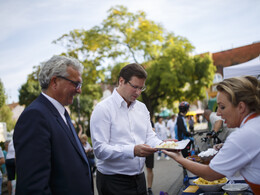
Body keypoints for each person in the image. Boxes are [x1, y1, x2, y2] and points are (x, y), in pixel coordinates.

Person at [163, 76, 260, 194]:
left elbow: (210, 174)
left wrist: (179, 158)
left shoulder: (242, 135)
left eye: (222, 107)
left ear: (241, 107)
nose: (218, 112)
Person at [13, 55, 93, 195]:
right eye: (76, 84)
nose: (79, 90)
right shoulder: (35, 116)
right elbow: (33, 187)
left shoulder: (62, 114)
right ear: (55, 81)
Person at [90, 63, 162, 195]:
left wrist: (165, 145)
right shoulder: (103, 109)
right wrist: (132, 150)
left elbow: (149, 136)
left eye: (142, 88)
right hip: (113, 182)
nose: (138, 92)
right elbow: (100, 150)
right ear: (121, 81)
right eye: (135, 87)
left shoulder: (142, 108)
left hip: (139, 178)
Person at [145, 120, 155, 195]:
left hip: (148, 147)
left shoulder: (148, 120)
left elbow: (152, 131)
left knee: (149, 168)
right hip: (136, 147)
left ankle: (149, 188)